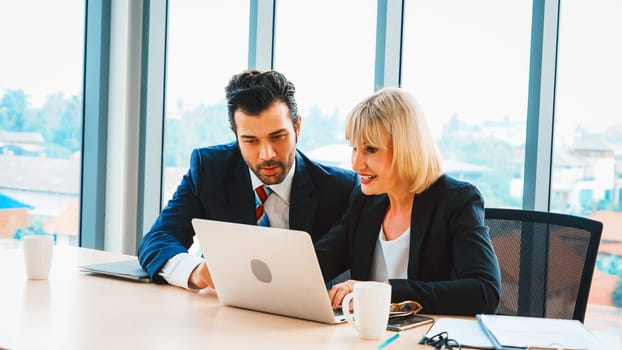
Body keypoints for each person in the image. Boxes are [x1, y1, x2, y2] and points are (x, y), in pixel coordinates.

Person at [138, 69, 358, 290]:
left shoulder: (339, 188)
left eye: (278, 137)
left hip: (303, 315)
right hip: (223, 311)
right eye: (251, 141)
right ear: (235, 135)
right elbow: (158, 240)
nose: (267, 155)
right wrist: (196, 272)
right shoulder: (209, 170)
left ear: (297, 127)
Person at [315, 87, 501, 316]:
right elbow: (317, 264)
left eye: (370, 149)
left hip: (428, 338)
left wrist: (384, 291)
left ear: (406, 148)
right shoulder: (365, 201)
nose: (356, 164)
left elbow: (484, 292)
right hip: (369, 336)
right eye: (354, 148)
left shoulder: (456, 201)